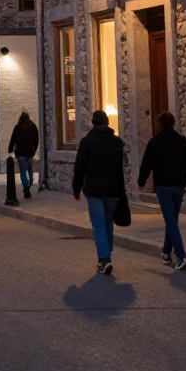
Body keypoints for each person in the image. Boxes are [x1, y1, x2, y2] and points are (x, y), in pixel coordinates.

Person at [138, 110, 186, 271]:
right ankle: (166, 252)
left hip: (163, 187)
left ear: (159, 124)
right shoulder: (183, 142)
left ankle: (181, 256)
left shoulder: (154, 142)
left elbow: (146, 163)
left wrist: (141, 181)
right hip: (179, 186)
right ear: (174, 123)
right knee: (172, 219)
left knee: (170, 220)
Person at [72, 109, 125, 275]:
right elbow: (120, 168)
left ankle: (104, 259)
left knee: (98, 224)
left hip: (94, 189)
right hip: (113, 189)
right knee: (108, 222)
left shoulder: (86, 142)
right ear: (107, 122)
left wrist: (76, 188)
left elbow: (79, 167)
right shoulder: (117, 142)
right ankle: (107, 254)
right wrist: (121, 189)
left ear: (93, 123)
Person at [8, 109, 40, 199]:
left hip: (20, 153)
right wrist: (34, 148)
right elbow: (36, 139)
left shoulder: (17, 127)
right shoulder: (33, 127)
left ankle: (26, 188)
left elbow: (13, 139)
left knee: (23, 171)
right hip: (30, 152)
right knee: (29, 170)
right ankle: (29, 184)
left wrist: (10, 149)